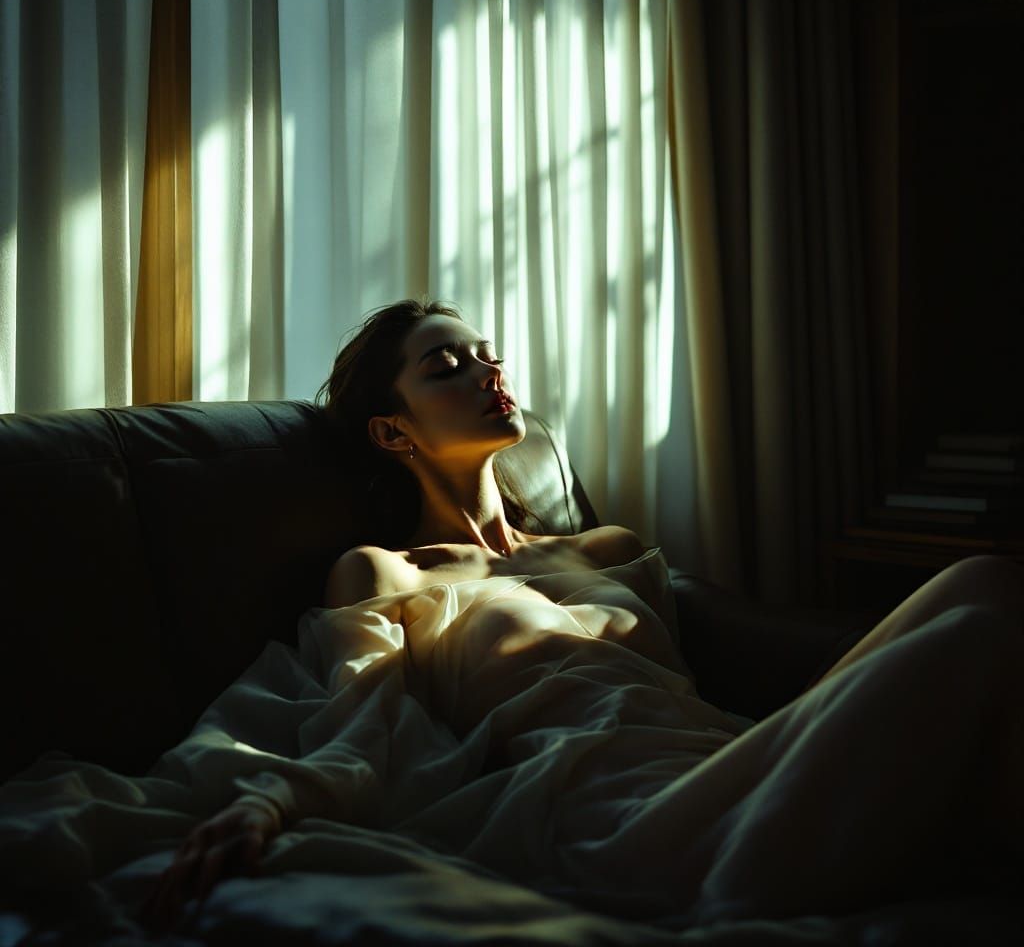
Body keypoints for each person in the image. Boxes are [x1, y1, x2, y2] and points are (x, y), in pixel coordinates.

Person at [145, 296, 1024, 930]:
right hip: (632, 822)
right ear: (391, 430)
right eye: (445, 367)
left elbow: (694, 683)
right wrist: (269, 803)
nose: (487, 370)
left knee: (983, 584)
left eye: (485, 353)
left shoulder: (602, 549)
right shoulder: (385, 571)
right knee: (988, 612)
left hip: (735, 760)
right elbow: (359, 719)